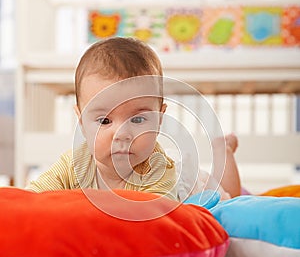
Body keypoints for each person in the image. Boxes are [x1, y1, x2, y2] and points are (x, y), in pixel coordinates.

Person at [27, 37, 241, 200]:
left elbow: (151, 219)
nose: (122, 134)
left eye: (137, 120)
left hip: (191, 189)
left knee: (229, 199)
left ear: (159, 121)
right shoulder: (74, 164)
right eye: (104, 121)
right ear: (81, 123)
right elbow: (33, 196)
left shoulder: (157, 169)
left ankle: (223, 151)